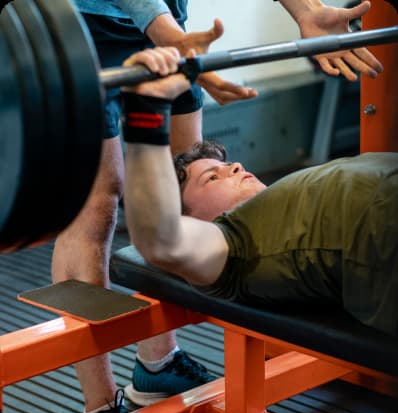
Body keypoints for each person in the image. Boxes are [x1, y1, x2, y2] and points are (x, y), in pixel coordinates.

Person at [53, 1, 383, 413]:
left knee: (182, 183)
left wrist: (306, 11)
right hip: (85, 27)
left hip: (165, 23)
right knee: (96, 207)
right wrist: (168, 35)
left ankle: (158, 364)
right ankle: (100, 405)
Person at [121, 47, 398, 343]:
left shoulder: (280, 199)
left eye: (227, 164)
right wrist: (148, 111)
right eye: (212, 177)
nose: (235, 166)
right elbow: (160, 238)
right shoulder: (230, 247)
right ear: (191, 220)